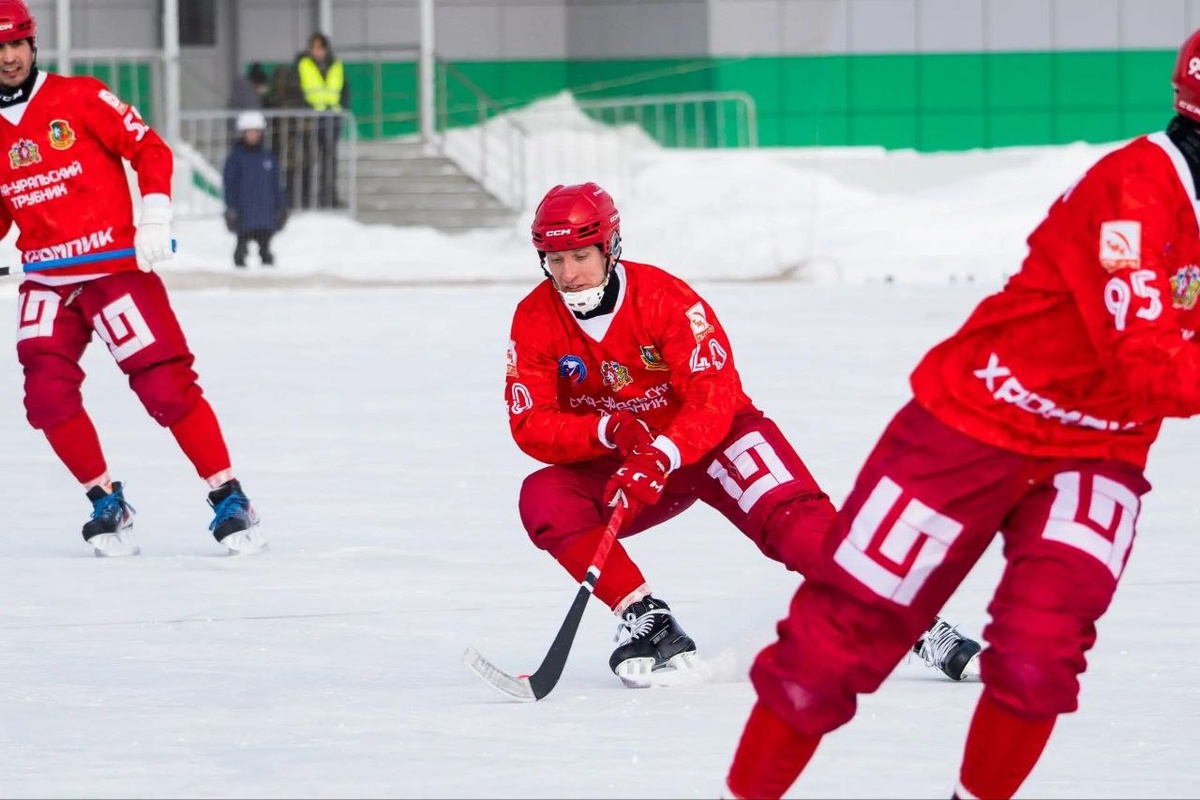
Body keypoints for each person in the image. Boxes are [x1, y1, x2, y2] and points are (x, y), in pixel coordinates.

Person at [722, 27, 1200, 800]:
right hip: (972, 426)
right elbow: (1148, 365)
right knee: (835, 641)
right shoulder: (1137, 189)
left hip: (1098, 452)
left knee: (1040, 658)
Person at [505, 182, 981, 688]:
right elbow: (529, 421)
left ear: (610, 246)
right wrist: (607, 428)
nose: (568, 274)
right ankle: (648, 618)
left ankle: (917, 622)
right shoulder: (535, 318)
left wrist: (665, 452)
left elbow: (714, 396)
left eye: (580, 255)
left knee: (800, 530)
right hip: (632, 454)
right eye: (554, 259)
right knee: (545, 498)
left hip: (716, 440)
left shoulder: (666, 299)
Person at [0, 0, 265, 557]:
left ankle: (228, 493)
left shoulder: (79, 96)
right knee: (45, 396)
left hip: (115, 268)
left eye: (16, 45)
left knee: (165, 387)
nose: (8, 58)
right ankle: (105, 499)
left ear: (32, 44)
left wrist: (156, 214)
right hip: (47, 280)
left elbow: (148, 147)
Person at [223, 110, 288, 268]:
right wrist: (231, 208)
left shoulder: (268, 158)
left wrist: (281, 208)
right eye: (249, 132)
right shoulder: (235, 159)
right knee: (240, 253)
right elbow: (229, 185)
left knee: (265, 252)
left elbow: (276, 185)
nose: (253, 136)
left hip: (265, 214)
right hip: (244, 213)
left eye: (256, 132)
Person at [295, 32, 348, 208]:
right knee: (308, 160)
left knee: (330, 160)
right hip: (311, 119)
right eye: (314, 47)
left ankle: (328, 197)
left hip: (331, 117)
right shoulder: (303, 64)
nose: (317, 51)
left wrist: (342, 108)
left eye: (320, 47)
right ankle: (305, 199)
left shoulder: (335, 65)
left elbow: (344, 88)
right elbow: (298, 90)